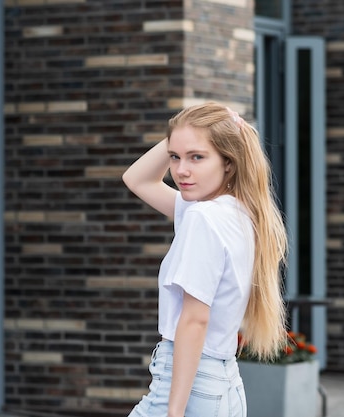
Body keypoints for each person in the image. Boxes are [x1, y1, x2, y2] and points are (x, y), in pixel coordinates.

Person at [122, 102, 287, 417]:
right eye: (175, 157)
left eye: (197, 157)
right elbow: (137, 180)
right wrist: (186, 131)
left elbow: (195, 319)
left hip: (187, 385)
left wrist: (174, 411)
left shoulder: (203, 218)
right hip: (224, 382)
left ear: (229, 162)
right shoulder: (241, 213)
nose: (181, 170)